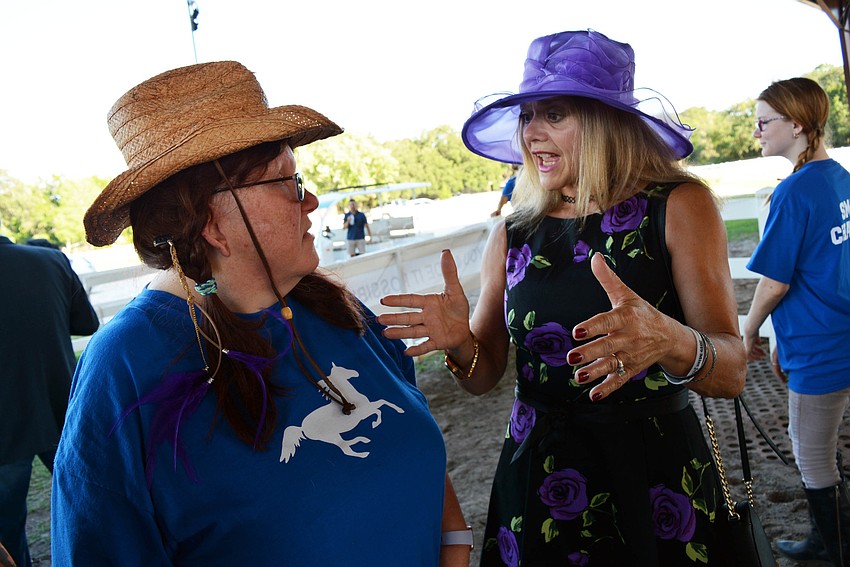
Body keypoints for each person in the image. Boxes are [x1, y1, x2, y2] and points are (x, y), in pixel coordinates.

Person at [50, 61, 471, 566]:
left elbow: (412, 437)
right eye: (288, 182)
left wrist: (455, 546)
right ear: (210, 221)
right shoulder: (126, 364)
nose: (311, 200)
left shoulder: (331, 307)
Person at [378, 30, 747, 566]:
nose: (532, 135)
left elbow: (732, 372)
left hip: (654, 471)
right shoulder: (514, 232)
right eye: (528, 116)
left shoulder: (680, 206)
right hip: (541, 478)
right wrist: (459, 344)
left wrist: (671, 341)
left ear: (604, 122)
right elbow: (484, 376)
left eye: (554, 115)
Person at [743, 77, 850, 566]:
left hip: (820, 347)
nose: (757, 131)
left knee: (811, 453)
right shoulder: (839, 178)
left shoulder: (793, 192)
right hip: (836, 333)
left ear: (798, 124)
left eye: (765, 121)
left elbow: (775, 284)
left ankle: (829, 547)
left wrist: (749, 328)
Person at [0, 220, 99, 567]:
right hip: (64, 410)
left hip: (4, 429)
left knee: (7, 532)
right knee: (92, 508)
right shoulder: (50, 260)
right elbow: (87, 324)